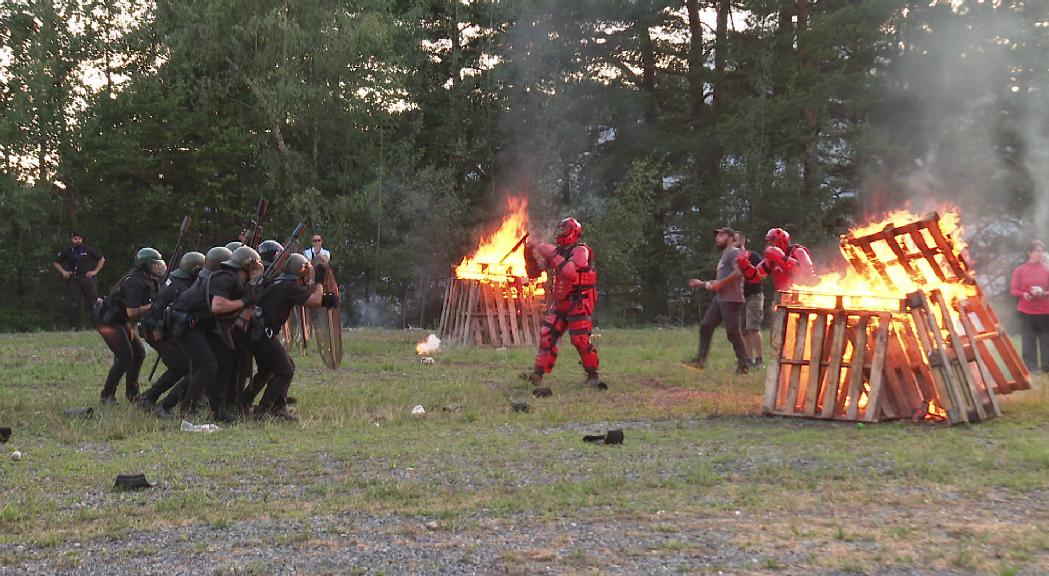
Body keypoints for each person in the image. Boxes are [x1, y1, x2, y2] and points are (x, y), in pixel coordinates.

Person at [169, 246, 262, 423]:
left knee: (226, 359)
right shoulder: (226, 278)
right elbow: (217, 306)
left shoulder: (235, 281)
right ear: (245, 265)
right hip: (186, 322)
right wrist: (242, 302)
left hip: (201, 324)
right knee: (207, 365)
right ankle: (187, 408)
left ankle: (218, 408)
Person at [244, 254, 337, 420]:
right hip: (264, 334)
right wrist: (319, 282)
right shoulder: (289, 286)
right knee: (285, 370)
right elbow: (314, 301)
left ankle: (246, 403)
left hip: (257, 333)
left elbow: (306, 297)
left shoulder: (279, 282)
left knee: (269, 370)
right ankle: (264, 410)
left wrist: (325, 299)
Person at [520, 217, 604, 396]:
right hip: (561, 302)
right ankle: (537, 375)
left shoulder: (581, 250)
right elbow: (534, 273)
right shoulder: (559, 252)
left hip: (578, 301)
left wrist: (549, 252)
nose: (560, 234)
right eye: (560, 230)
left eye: (564, 230)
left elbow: (570, 272)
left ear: (573, 232)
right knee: (547, 335)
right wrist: (528, 254)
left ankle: (593, 376)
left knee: (579, 340)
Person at [155, 246, 232, 418]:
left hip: (193, 325)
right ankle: (180, 407)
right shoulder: (210, 281)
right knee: (206, 366)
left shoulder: (208, 278)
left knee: (210, 365)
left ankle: (177, 405)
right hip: (186, 325)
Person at [93, 248, 166, 403]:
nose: (157, 268)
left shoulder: (149, 279)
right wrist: (157, 305)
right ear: (144, 265)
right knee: (125, 356)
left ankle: (132, 394)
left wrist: (130, 327)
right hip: (108, 321)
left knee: (138, 353)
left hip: (120, 320)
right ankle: (107, 395)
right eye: (153, 265)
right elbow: (132, 311)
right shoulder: (134, 282)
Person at [136, 251, 206, 409]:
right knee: (186, 367)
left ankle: (150, 397)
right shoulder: (180, 286)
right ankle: (151, 398)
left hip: (161, 328)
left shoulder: (176, 279)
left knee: (183, 366)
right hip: (158, 330)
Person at [688, 227, 749, 374]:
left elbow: (739, 272)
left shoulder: (734, 252)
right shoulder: (725, 254)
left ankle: (744, 365)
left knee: (732, 333)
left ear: (731, 238)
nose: (717, 238)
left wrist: (720, 284)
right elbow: (720, 280)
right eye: (717, 235)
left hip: (732, 299)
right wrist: (702, 283)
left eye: (721, 235)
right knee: (706, 326)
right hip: (721, 299)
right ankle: (699, 361)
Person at [738, 227, 816, 298]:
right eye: (769, 242)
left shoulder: (798, 251)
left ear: (782, 242)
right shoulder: (771, 258)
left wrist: (782, 259)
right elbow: (756, 276)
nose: (770, 245)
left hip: (805, 294)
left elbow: (807, 273)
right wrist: (746, 266)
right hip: (784, 296)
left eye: (772, 241)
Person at [1010, 240, 1049, 373]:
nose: (1040, 253)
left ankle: (1047, 367)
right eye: (1037, 251)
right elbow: (1013, 290)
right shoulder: (1020, 270)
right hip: (1026, 312)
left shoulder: (1046, 268)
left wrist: (1044, 293)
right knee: (1028, 340)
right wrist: (1024, 294)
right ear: (1029, 253)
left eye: (1041, 250)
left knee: (1046, 339)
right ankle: (1032, 368)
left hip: (1045, 311)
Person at [53, 232, 105, 329]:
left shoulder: (87, 249)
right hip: (74, 279)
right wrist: (64, 272)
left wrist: (95, 271)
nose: (78, 241)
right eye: (75, 239)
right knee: (74, 304)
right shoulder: (67, 251)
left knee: (93, 303)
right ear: (71, 239)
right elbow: (56, 262)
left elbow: (101, 259)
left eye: (79, 239)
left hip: (87, 278)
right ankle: (73, 327)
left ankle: (98, 325)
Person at [735, 232, 765, 366]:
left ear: (741, 242)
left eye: (735, 240)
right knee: (744, 331)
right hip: (740, 297)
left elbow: (762, 273)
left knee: (753, 327)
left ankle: (759, 359)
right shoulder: (731, 258)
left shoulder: (753, 256)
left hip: (754, 295)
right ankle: (748, 359)